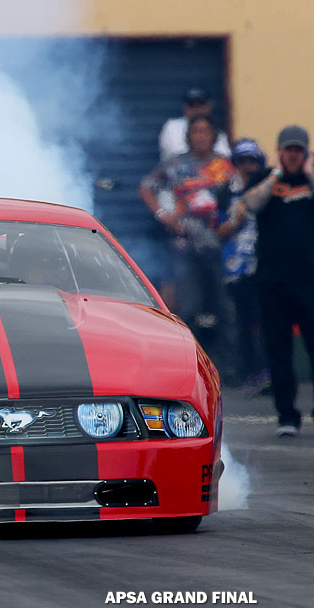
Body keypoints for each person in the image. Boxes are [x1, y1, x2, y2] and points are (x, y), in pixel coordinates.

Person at [139, 115, 237, 376]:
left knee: (226, 309)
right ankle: (191, 369)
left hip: (221, 249)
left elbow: (241, 197)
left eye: (205, 131)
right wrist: (163, 214)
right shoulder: (175, 164)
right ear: (188, 136)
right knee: (189, 309)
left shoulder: (226, 167)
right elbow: (146, 187)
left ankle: (230, 370)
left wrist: (233, 223)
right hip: (186, 248)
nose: (200, 136)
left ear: (213, 136)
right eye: (196, 131)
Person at [241, 125, 314, 436]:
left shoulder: (310, 181)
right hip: (272, 282)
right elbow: (250, 204)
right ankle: (287, 416)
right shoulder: (264, 179)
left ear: (305, 153)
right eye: (289, 150)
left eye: (298, 150)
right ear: (280, 151)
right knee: (278, 350)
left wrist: (309, 174)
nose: (293, 155)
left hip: (309, 280)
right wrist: (275, 177)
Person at [216, 139, 269, 393]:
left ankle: (267, 370)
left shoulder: (268, 188)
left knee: (265, 319)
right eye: (243, 161)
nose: (248, 166)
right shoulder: (226, 191)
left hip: (264, 264)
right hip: (236, 267)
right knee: (242, 321)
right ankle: (247, 371)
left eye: (252, 161)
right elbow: (219, 230)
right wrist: (237, 219)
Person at [159, 87, 232, 161]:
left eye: (200, 105)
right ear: (185, 108)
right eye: (192, 105)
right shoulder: (172, 127)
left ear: (209, 107)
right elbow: (174, 153)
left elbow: (224, 157)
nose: (196, 109)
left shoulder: (217, 131)